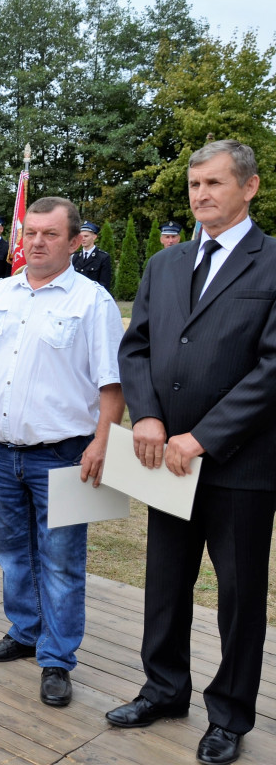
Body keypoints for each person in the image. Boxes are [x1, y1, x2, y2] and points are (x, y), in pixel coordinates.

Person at [109, 140, 276, 765]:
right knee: (166, 583)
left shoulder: (272, 263)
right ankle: (164, 688)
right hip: (164, 463)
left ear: (249, 187)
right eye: (193, 184)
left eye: (213, 183)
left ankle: (230, 714)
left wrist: (203, 436)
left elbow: (272, 368)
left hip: (241, 465)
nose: (200, 194)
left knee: (237, 596)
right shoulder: (166, 266)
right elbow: (138, 348)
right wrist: (148, 414)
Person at [0, 196, 125, 708]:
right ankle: (25, 632)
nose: (38, 242)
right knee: (11, 554)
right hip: (1, 455)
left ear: (74, 242)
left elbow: (112, 384)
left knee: (63, 562)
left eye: (51, 234)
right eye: (31, 234)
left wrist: (102, 442)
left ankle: (56, 658)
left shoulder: (92, 303)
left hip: (65, 454)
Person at [72, 221, 112, 290]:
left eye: (86, 236)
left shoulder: (103, 257)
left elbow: (104, 284)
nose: (83, 239)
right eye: (81, 236)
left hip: (93, 297)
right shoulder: (75, 257)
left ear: (94, 237)